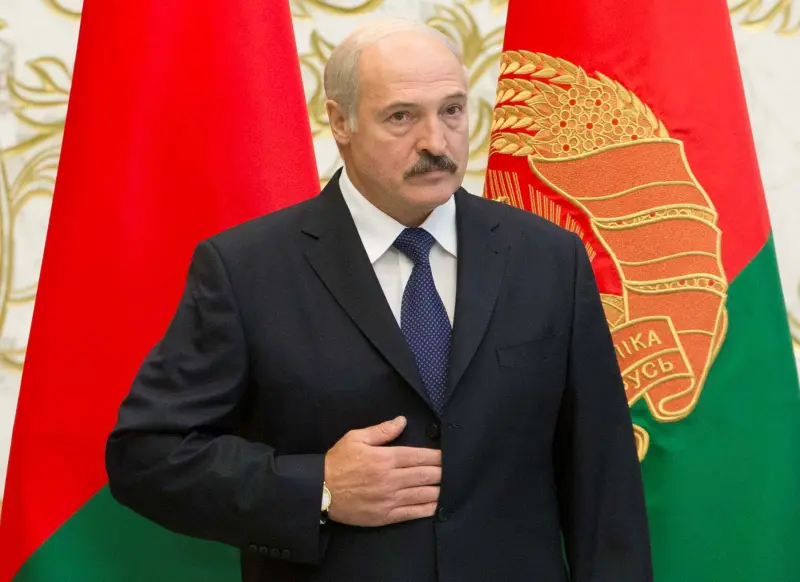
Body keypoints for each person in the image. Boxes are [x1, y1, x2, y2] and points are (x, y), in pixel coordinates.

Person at [105, 17, 653, 582]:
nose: (436, 143)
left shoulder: (549, 257)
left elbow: (603, 484)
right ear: (340, 121)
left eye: (452, 111)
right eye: (401, 117)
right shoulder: (246, 269)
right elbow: (147, 454)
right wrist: (317, 488)